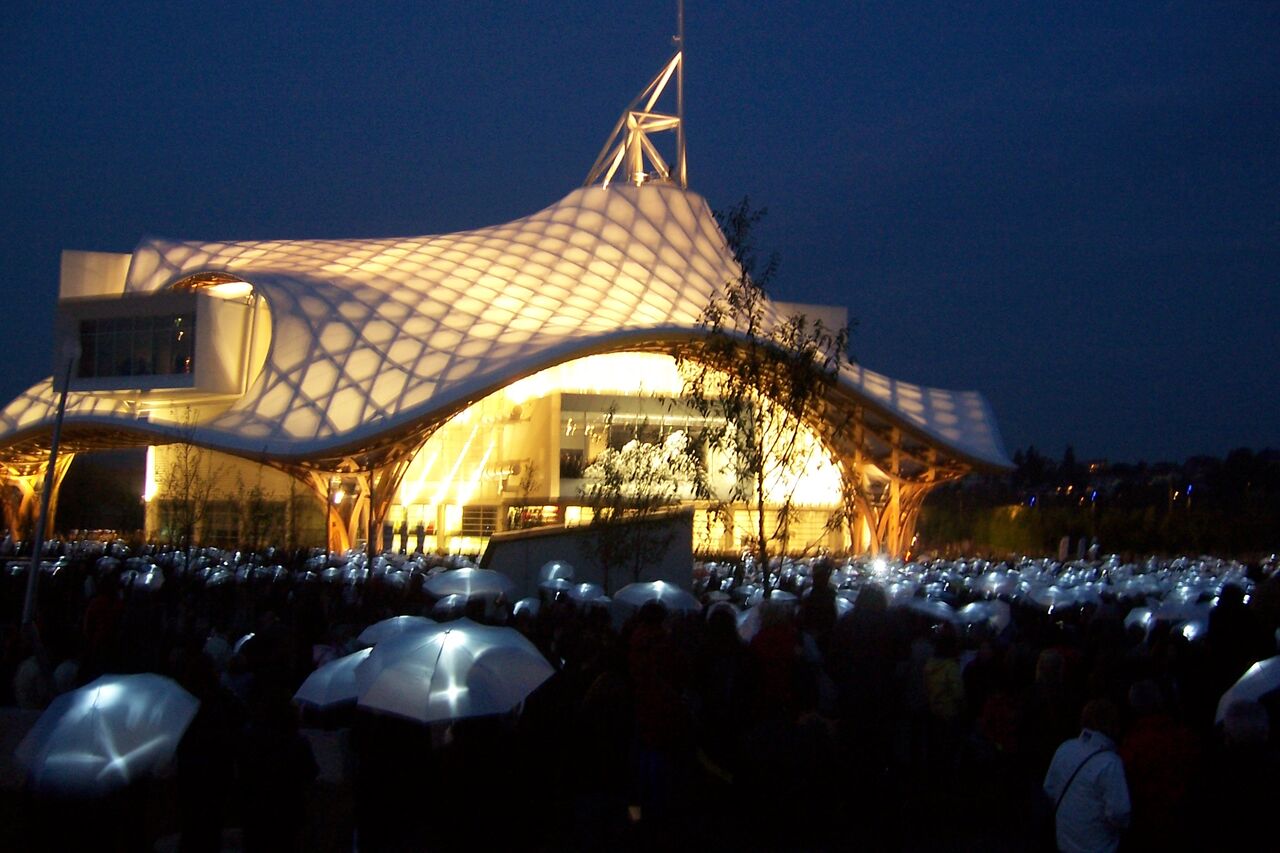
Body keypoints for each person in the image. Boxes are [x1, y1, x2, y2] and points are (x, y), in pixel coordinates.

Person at [1043, 698, 1130, 853]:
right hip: (1100, 846)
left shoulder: (1065, 748)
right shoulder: (1110, 762)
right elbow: (1119, 812)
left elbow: (1049, 790)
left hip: (1064, 843)